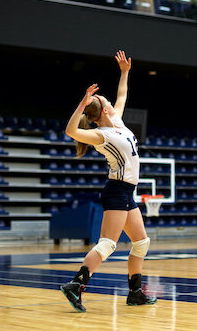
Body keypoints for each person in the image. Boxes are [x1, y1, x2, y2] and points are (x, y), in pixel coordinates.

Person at [59, 50, 156, 312]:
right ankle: (76, 284)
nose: (112, 102)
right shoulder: (102, 135)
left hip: (127, 193)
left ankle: (135, 292)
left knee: (141, 242)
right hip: (117, 192)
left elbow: (122, 94)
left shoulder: (118, 124)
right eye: (106, 101)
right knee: (108, 243)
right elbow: (71, 131)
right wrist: (82, 103)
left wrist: (124, 72)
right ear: (103, 110)